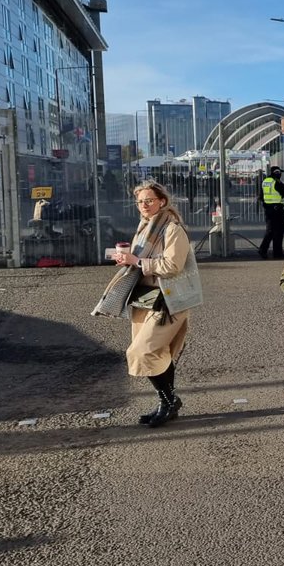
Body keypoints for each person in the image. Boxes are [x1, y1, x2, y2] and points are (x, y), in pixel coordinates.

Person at [111, 181, 193, 428]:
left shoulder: (172, 229)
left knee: (142, 351)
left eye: (149, 200)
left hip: (168, 299)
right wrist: (127, 261)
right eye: (140, 202)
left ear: (162, 202)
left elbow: (172, 266)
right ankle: (168, 402)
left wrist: (137, 261)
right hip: (146, 296)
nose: (143, 205)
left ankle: (168, 401)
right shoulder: (146, 226)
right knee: (158, 352)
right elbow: (141, 261)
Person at [258, 166, 284, 260]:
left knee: (270, 231)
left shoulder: (265, 181)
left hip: (269, 209)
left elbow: (261, 196)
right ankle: (275, 252)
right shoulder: (276, 182)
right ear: (277, 173)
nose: (280, 175)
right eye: (279, 173)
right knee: (278, 231)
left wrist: (266, 206)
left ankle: (265, 250)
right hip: (277, 209)